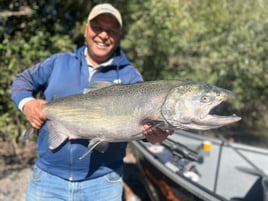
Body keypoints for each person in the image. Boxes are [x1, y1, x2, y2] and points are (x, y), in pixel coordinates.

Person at [11, 3, 172, 201]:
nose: (104, 35)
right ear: (86, 30)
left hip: (103, 182)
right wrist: (27, 103)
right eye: (97, 27)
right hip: (48, 178)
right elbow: (21, 82)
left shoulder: (131, 76)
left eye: (111, 30)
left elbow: (143, 125)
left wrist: (151, 136)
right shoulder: (58, 62)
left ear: (119, 36)